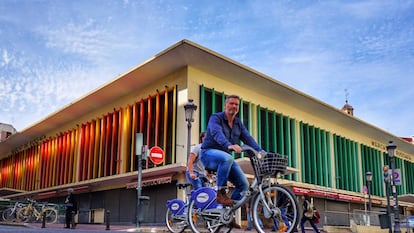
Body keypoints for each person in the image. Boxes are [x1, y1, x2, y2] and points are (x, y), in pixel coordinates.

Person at [200, 94, 263, 206]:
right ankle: (221, 193)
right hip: (208, 154)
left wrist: (261, 151)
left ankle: (227, 215)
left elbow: (247, 138)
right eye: (231, 103)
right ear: (225, 105)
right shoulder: (216, 118)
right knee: (227, 158)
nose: (234, 106)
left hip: (226, 159)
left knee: (243, 185)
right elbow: (216, 132)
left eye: (236, 104)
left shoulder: (238, 123)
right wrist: (228, 145)